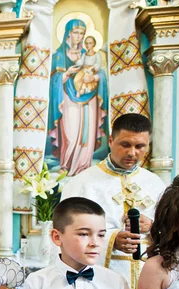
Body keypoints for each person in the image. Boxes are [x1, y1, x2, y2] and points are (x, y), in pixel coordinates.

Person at [61, 113, 166, 288]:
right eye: (125, 144)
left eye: (140, 146)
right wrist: (111, 239)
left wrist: (153, 226)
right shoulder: (83, 183)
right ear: (110, 141)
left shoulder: (155, 184)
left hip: (148, 280)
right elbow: (67, 232)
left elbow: (174, 231)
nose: (132, 153)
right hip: (100, 281)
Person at [48, 19, 109, 176]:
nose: (79, 37)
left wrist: (94, 78)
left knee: (86, 134)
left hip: (90, 99)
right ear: (68, 34)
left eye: (82, 33)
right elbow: (53, 82)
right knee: (70, 134)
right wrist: (66, 74)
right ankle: (66, 164)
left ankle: (83, 166)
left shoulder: (89, 55)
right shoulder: (58, 56)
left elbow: (101, 73)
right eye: (76, 32)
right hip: (68, 99)